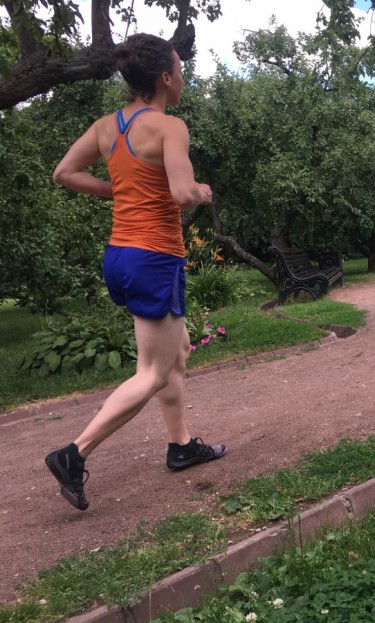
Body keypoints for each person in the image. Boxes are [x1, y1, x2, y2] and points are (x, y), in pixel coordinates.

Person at [45, 33, 226, 511]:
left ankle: (181, 445)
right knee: (152, 370)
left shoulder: (107, 126)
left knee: (178, 351)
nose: (183, 77)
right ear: (165, 78)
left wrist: (118, 192)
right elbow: (183, 194)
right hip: (154, 257)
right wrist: (202, 190)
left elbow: (63, 172)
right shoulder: (170, 128)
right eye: (180, 69)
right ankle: (73, 455)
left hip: (121, 256)